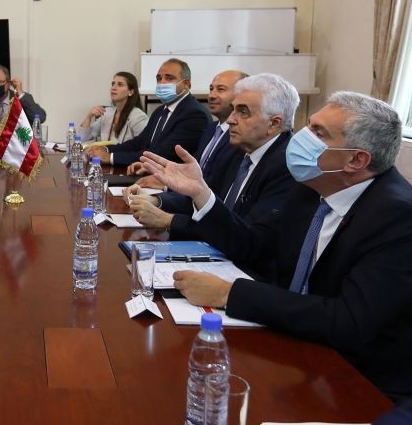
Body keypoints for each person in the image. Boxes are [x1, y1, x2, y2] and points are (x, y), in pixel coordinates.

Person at [140, 91, 412, 400]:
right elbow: (254, 244)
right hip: (292, 343)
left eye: (319, 133)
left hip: (361, 380)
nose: (302, 138)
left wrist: (230, 293)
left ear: (357, 159)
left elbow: (348, 320)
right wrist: (201, 193)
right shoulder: (312, 188)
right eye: (309, 125)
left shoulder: (399, 217)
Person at [130, 73, 297, 241]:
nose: (231, 120)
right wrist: (157, 200)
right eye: (233, 110)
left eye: (243, 112)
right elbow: (209, 201)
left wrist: (169, 220)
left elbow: (251, 239)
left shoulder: (287, 166)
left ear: (274, 123)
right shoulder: (240, 151)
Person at [125, 69, 246, 196]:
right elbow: (196, 169)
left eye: (221, 89)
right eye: (211, 89)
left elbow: (214, 183)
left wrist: (167, 186)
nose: (211, 95)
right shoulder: (211, 129)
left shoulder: (239, 138)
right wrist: (162, 171)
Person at [85, 58, 208, 167]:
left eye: (169, 78)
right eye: (159, 78)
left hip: (170, 186)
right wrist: (105, 149)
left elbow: (162, 155)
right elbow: (139, 143)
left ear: (186, 83)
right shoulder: (160, 111)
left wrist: (111, 157)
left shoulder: (194, 114)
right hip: (148, 173)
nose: (162, 83)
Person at [79, 71, 148, 143]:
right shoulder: (107, 112)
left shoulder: (138, 117)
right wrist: (89, 117)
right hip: (105, 153)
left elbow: (143, 146)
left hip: (123, 154)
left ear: (130, 92)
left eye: (120, 85)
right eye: (113, 84)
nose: (113, 88)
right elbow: (81, 138)